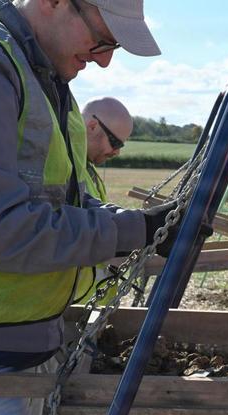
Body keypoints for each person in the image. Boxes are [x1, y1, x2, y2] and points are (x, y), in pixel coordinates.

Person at [0, 0, 182, 415]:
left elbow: (63, 203)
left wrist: (143, 223)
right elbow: (0, 230)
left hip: (15, 352)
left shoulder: (42, 75)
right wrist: (133, 233)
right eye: (102, 40)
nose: (107, 61)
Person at [73, 97, 134, 305]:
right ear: (92, 126)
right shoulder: (68, 165)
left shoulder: (87, 168)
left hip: (87, 305)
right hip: (71, 308)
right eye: (115, 142)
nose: (116, 152)